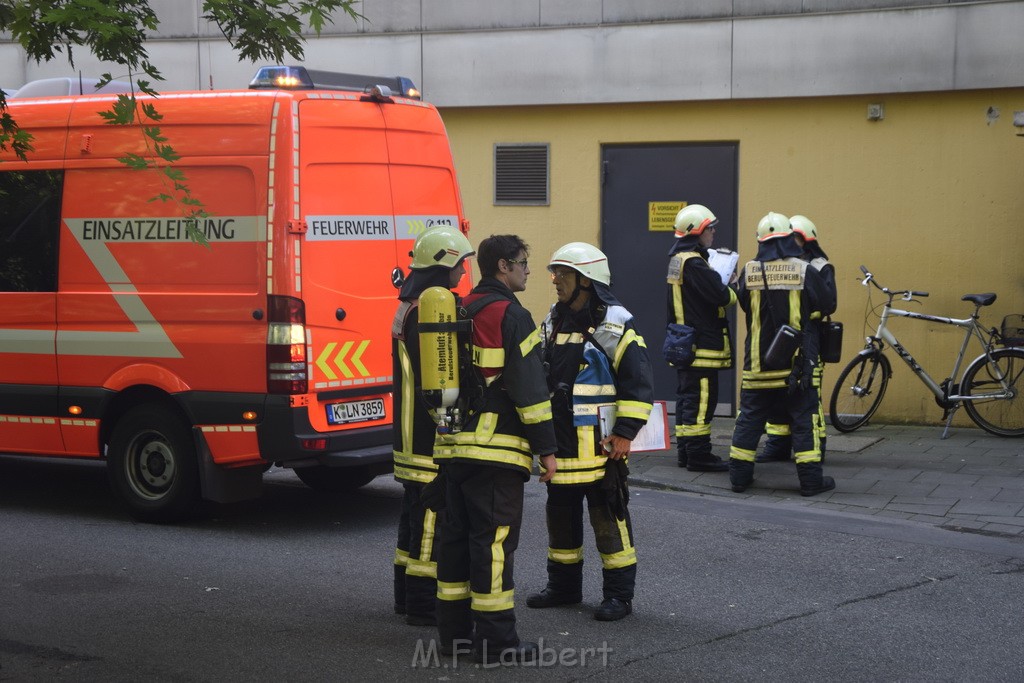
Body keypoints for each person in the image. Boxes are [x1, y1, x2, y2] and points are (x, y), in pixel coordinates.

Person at [433, 234, 558, 665]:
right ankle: (495, 642)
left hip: (452, 447)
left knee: (454, 540)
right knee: (493, 543)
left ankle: (452, 636)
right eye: (524, 262)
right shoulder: (512, 314)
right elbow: (529, 389)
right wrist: (547, 449)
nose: (527, 269)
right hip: (496, 449)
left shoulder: (459, 309)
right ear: (503, 266)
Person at [526, 243, 654, 622]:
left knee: (608, 521)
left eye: (563, 274)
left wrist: (626, 432)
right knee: (560, 519)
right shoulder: (553, 319)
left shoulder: (616, 322)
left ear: (586, 280)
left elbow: (639, 381)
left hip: (602, 448)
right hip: (561, 445)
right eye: (555, 273)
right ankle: (563, 588)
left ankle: (618, 596)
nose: (555, 280)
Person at [390, 226, 474, 626]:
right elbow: (438, 378)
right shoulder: (431, 308)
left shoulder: (408, 303)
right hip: (428, 435)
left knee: (412, 518)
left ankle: (405, 598)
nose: (463, 273)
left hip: (407, 434)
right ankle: (423, 606)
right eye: (460, 264)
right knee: (429, 522)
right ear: (445, 265)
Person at [729, 212, 835, 497]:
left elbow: (744, 306)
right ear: (790, 239)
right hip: (797, 365)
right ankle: (811, 481)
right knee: (804, 420)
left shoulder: (749, 271)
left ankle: (739, 478)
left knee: (750, 420)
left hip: (757, 365)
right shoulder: (804, 269)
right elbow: (826, 304)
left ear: (761, 241)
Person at [756, 215, 837, 464]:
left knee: (809, 395)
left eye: (797, 238)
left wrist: (802, 313)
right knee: (779, 394)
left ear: (807, 240)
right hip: (779, 340)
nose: (793, 243)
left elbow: (829, 303)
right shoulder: (778, 264)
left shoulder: (820, 266)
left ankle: (816, 446)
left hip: (809, 339)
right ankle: (778, 445)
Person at [666, 204, 738, 472]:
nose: (714, 231)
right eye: (710, 227)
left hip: (685, 342)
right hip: (702, 345)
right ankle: (699, 455)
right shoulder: (695, 263)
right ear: (697, 231)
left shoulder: (678, 260)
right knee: (702, 401)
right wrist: (732, 285)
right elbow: (721, 296)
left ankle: (686, 452)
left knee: (687, 399)